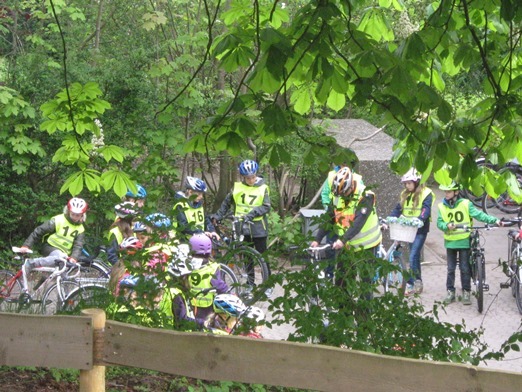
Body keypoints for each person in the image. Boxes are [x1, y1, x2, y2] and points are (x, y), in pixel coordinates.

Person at [310, 167, 382, 295]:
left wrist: (342, 240)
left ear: (351, 185)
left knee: (366, 285)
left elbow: (358, 223)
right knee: (342, 282)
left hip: (367, 245)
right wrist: (317, 239)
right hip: (348, 245)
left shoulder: (365, 196)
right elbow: (329, 218)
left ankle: (364, 314)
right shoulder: (338, 195)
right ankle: (344, 310)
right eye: (340, 194)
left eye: (345, 193)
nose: (342, 196)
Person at [436, 182, 504, 305]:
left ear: (456, 192)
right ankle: (450, 292)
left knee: (464, 268)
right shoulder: (441, 206)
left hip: (464, 241)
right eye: (445, 192)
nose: (446, 194)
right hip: (450, 242)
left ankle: (466, 291)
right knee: (450, 269)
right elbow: (439, 223)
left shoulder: (466, 204)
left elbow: (479, 215)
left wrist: (495, 220)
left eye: (449, 192)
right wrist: (446, 225)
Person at [212, 159, 271, 279]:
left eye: (253, 177)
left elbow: (266, 206)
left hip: (258, 227)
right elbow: (226, 202)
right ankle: (250, 282)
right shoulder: (237, 188)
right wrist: (218, 216)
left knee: (262, 256)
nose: (251, 180)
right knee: (246, 256)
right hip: (241, 226)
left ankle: (267, 283)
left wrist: (251, 214)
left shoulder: (263, 188)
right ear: (243, 177)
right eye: (247, 178)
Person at [388, 168, 435, 296]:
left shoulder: (426, 193)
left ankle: (412, 282)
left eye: (409, 183)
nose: (407, 185)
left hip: (420, 229)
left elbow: (426, 209)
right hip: (408, 230)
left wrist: (420, 219)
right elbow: (398, 208)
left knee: (414, 255)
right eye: (406, 183)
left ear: (417, 182)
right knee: (413, 257)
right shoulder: (405, 194)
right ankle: (416, 281)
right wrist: (392, 217)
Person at [21, 197, 88, 272]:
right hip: (50, 247)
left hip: (64, 254)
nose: (75, 217)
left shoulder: (80, 229)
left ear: (82, 215)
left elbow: (78, 245)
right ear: (69, 211)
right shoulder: (58, 220)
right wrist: (26, 245)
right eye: (73, 214)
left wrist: (74, 257)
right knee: (59, 258)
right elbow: (39, 231)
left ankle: (45, 282)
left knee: (64, 271)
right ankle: (31, 263)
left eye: (78, 215)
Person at [186, 233, 230, 324]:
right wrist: (228, 292)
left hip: (190, 303)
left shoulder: (186, 265)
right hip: (207, 306)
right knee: (206, 325)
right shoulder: (212, 267)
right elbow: (219, 285)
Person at [173, 176, 219, 241]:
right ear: (190, 192)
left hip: (198, 240)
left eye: (202, 194)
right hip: (182, 241)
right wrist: (201, 233)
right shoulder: (180, 205)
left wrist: (212, 231)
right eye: (199, 194)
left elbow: (205, 219)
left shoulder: (198, 204)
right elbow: (183, 226)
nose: (201, 197)